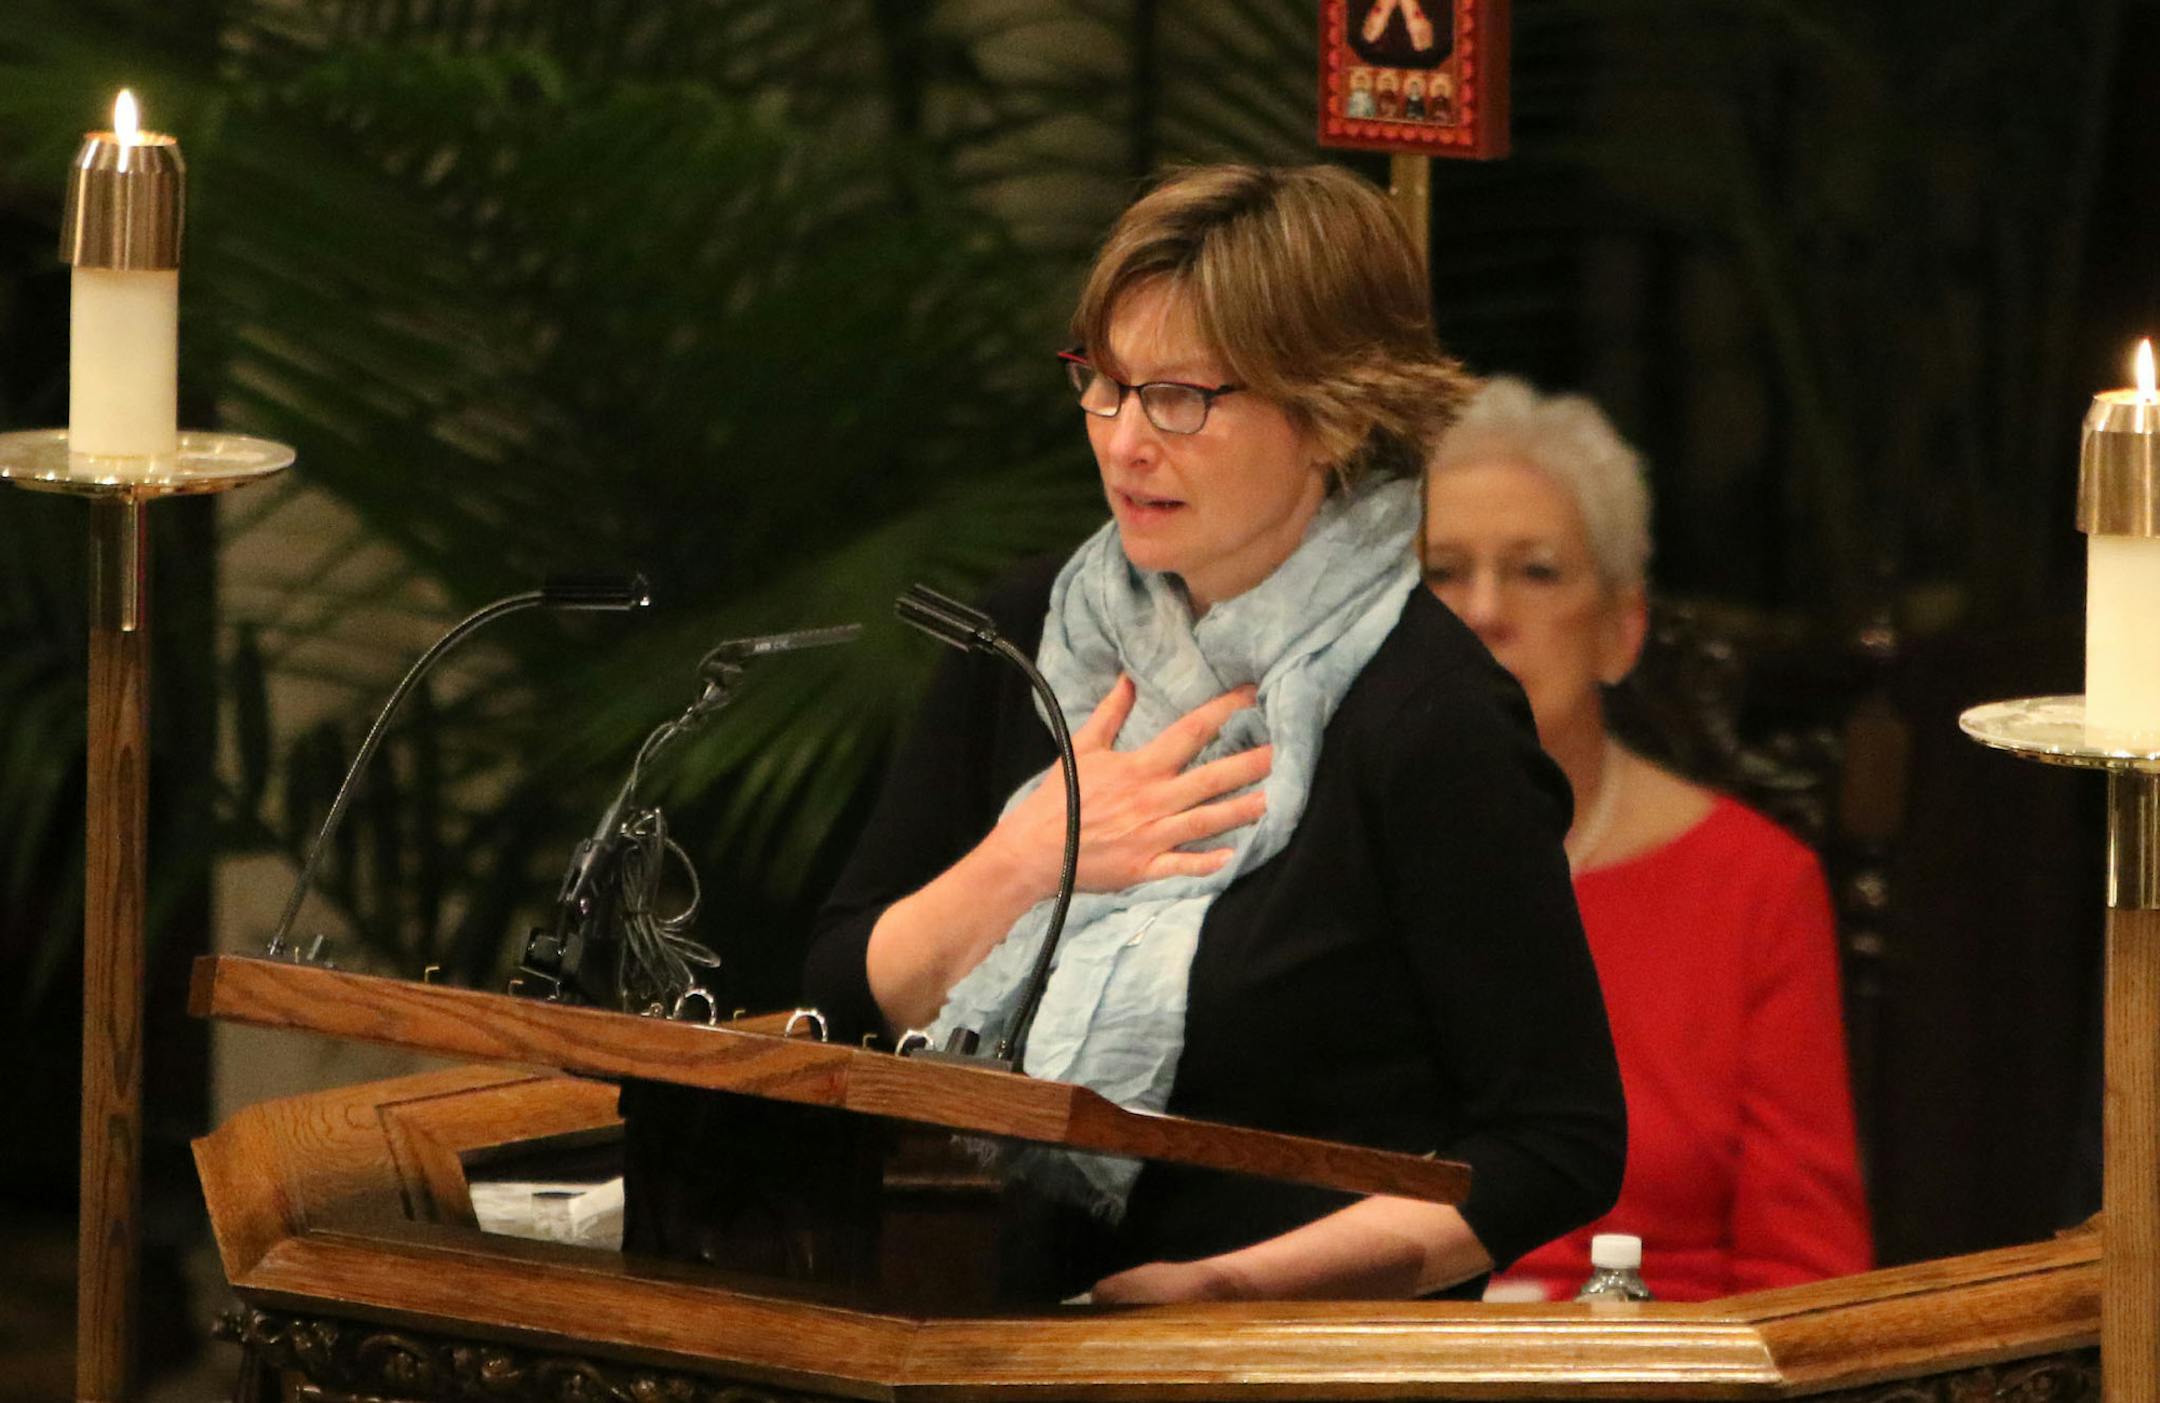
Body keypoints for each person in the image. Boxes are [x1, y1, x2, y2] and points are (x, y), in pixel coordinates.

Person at [803, 166, 1625, 1307]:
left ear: (1333, 412)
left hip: (1301, 1368)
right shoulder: (1019, 641)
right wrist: (1024, 860)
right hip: (988, 1333)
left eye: (1181, 396)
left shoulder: (1426, 714)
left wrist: (1230, 1289)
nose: (1127, 441)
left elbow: (1553, 1140)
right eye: (1107, 383)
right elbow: (835, 1003)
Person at [1421, 377, 1874, 1301]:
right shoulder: (1316, 865)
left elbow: (1811, 1279)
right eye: (1442, 572)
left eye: (1537, 570)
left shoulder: (1754, 885)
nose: (1484, 610)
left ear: (1621, 631)